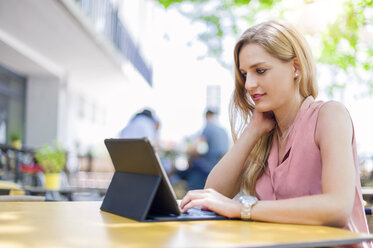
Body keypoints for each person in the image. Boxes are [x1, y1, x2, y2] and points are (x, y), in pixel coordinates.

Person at [180, 20, 370, 243]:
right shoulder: (266, 135)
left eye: (260, 71)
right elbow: (214, 194)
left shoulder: (330, 116)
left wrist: (243, 208)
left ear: (296, 68)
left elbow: (337, 208)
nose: (249, 84)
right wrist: (253, 131)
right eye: (244, 74)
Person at [183, 109, 229, 190]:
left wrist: (190, 161)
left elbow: (199, 149)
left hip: (206, 168)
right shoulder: (223, 130)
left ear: (207, 116)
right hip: (220, 167)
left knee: (189, 172)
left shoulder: (208, 128)